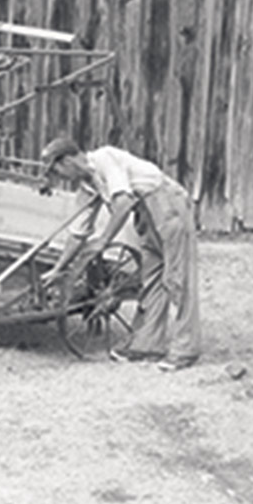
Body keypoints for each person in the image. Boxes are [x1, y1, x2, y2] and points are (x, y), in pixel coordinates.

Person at [39, 137, 201, 371]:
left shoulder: (105, 158)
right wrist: (58, 268)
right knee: (152, 279)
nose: (60, 177)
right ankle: (148, 345)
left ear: (69, 160)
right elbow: (78, 233)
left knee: (178, 277)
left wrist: (104, 241)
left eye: (57, 169)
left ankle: (187, 350)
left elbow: (124, 202)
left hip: (166, 204)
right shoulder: (87, 185)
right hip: (145, 214)